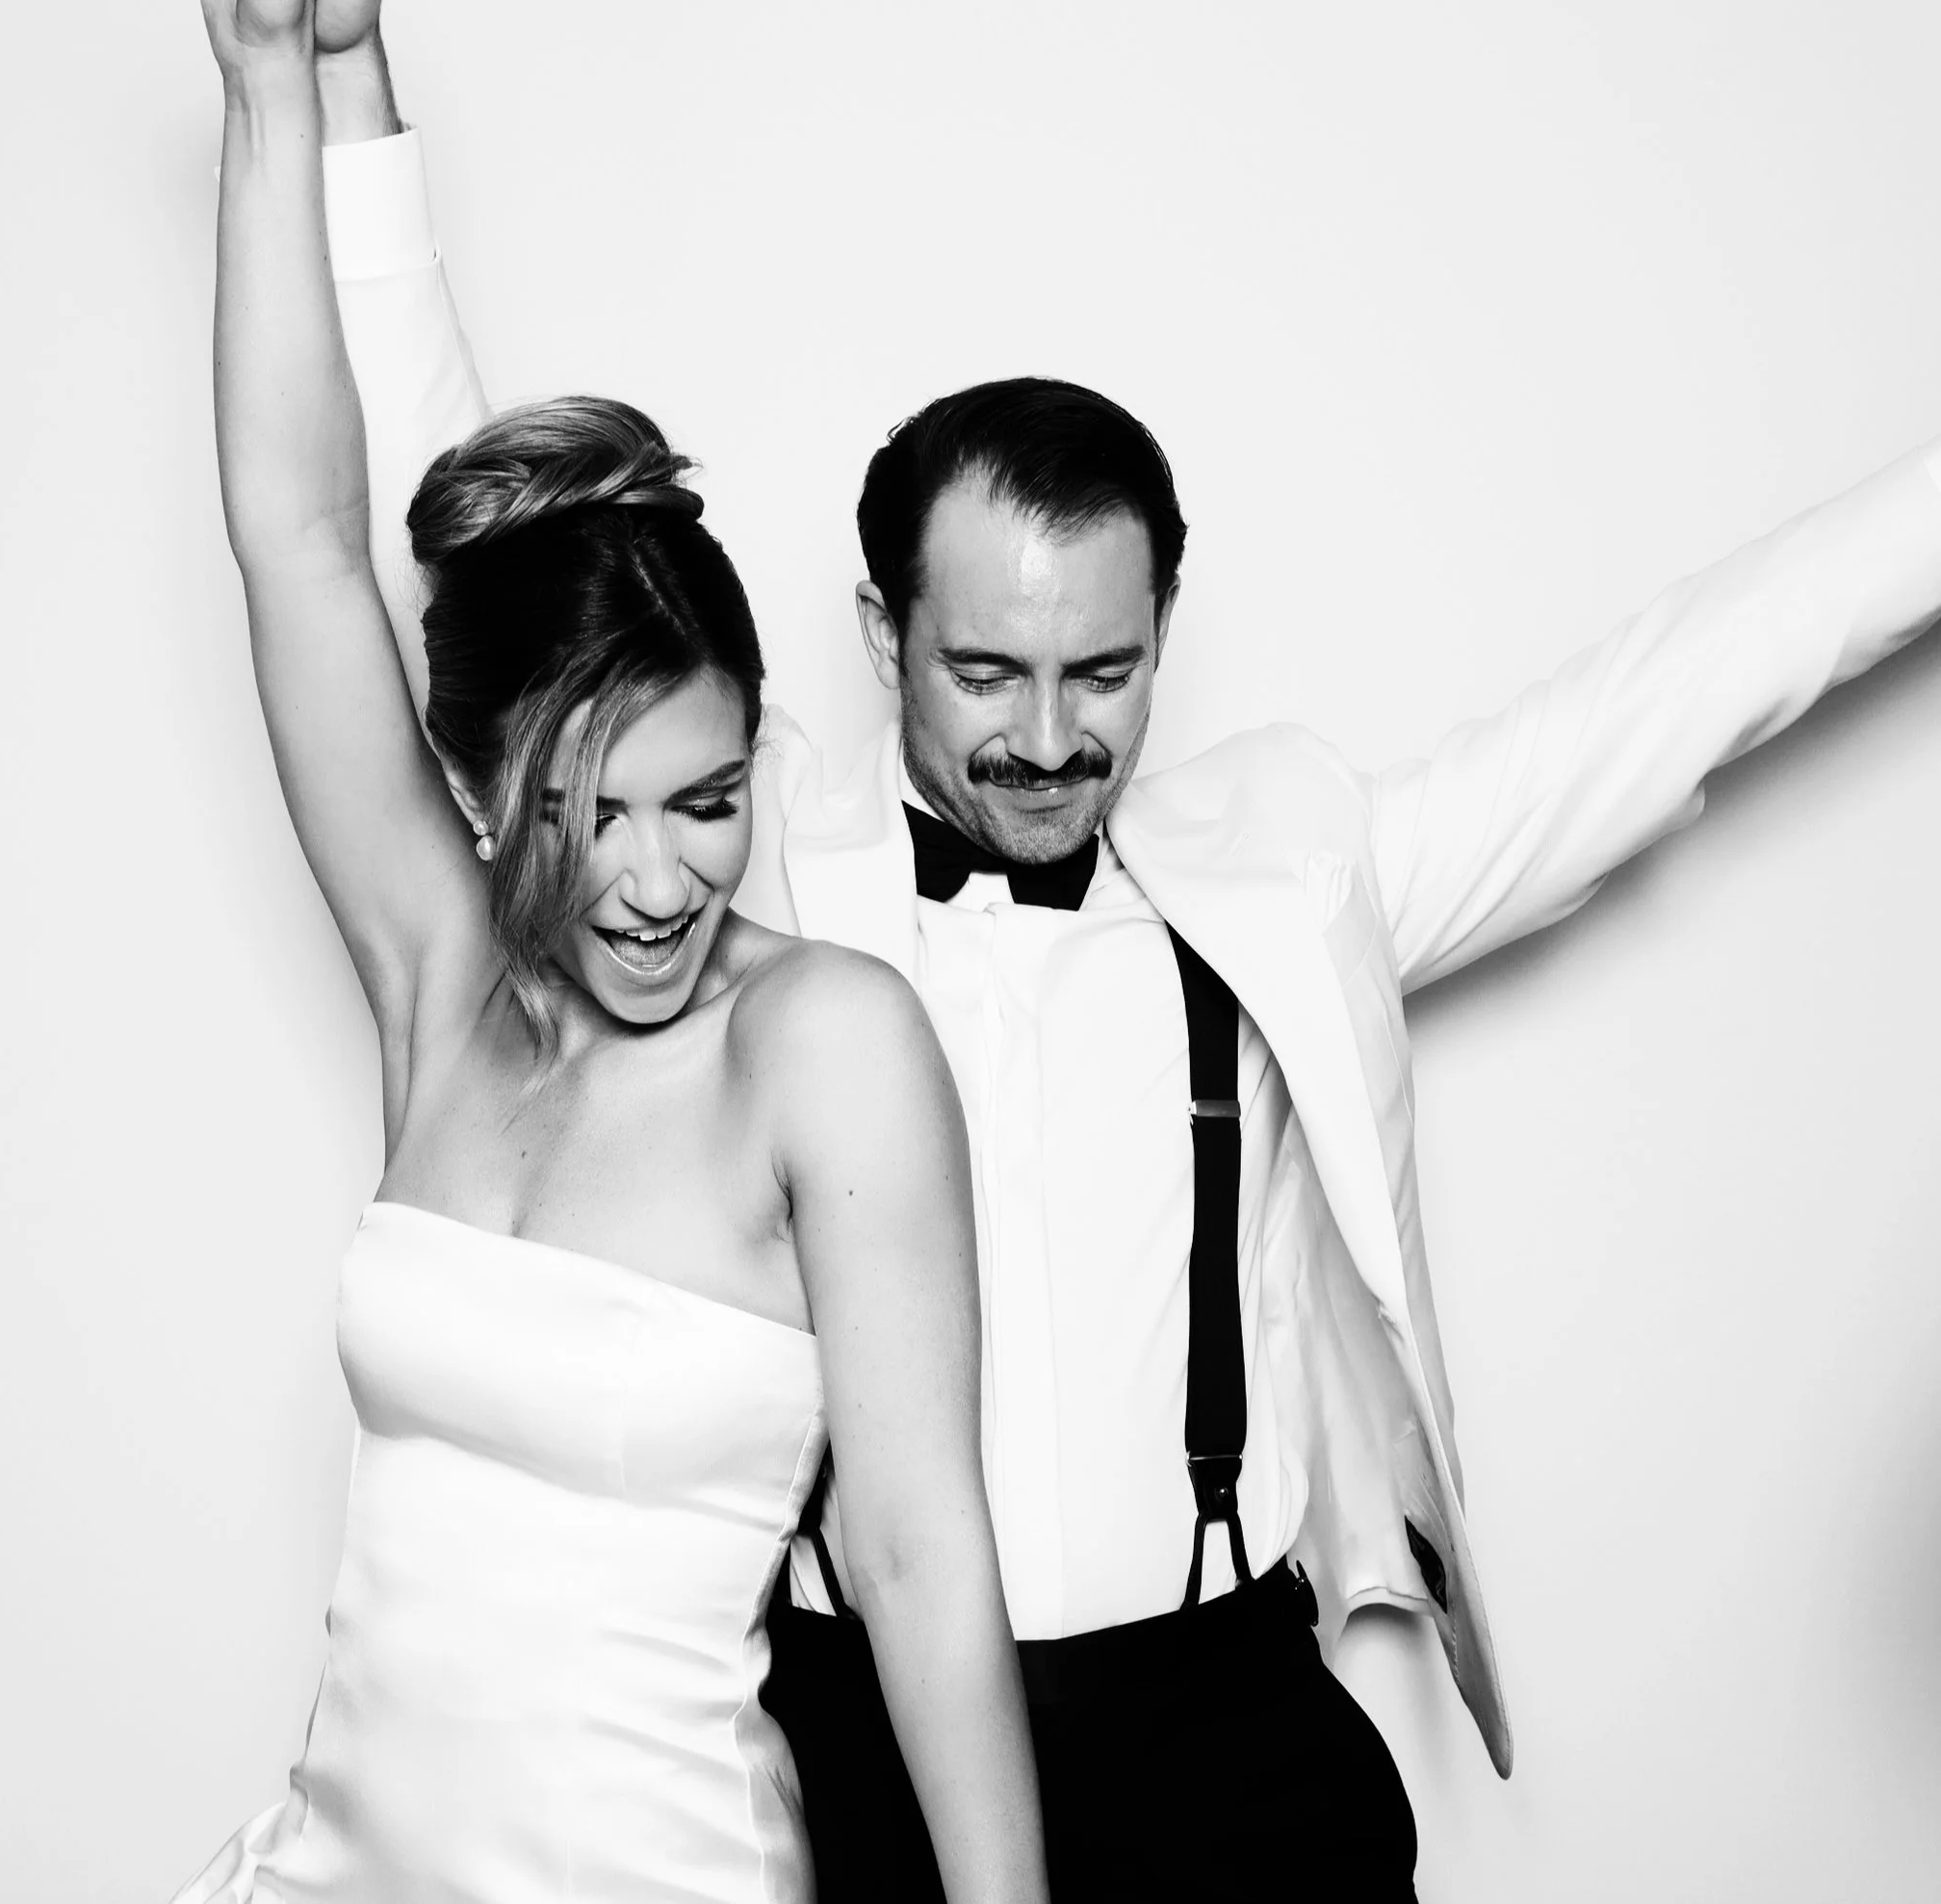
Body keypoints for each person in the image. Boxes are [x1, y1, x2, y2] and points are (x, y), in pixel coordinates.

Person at [313, 12, 1941, 1900]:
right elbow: (503, 562)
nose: (1043, 736)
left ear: (1163, 625)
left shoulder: (1283, 873)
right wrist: (346, 92)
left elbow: (1668, 697)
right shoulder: (751, 874)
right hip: (856, 1732)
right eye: (983, 671)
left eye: (1101, 671)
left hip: (1221, 1731)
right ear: (876, 630)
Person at [174, 4, 1050, 1901]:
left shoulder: (817, 1044)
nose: (659, 879)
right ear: (482, 790)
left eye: (709, 797)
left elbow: (913, 1548)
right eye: (589, 814)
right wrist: (266, 76)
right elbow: (298, 537)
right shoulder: (441, 979)